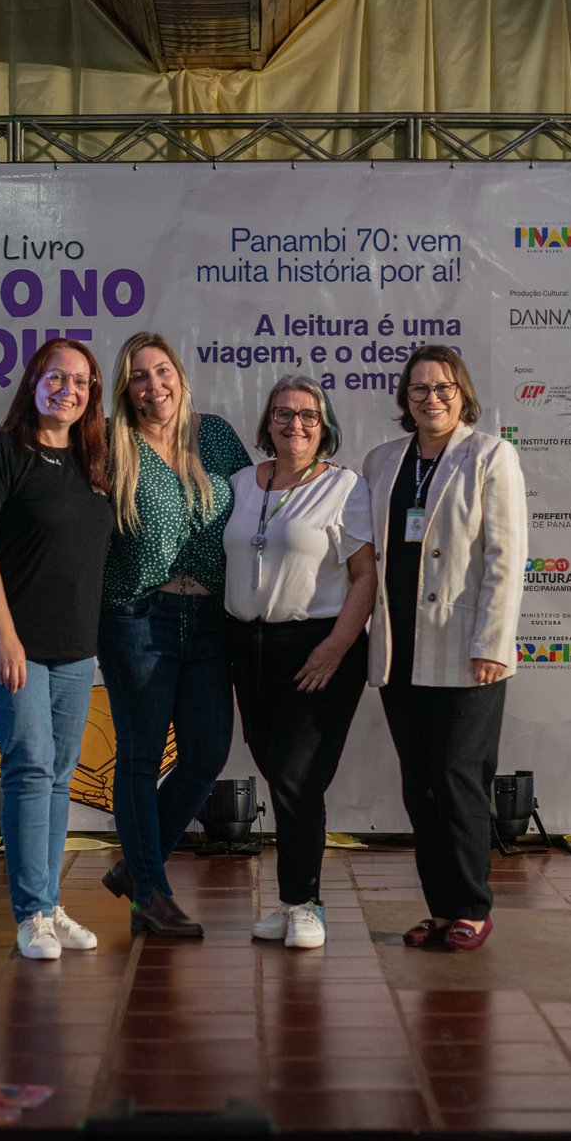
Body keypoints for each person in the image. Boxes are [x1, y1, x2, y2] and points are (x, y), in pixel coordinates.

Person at [363, 344, 527, 952]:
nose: (431, 398)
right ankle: (439, 909)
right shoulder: (382, 461)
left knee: (459, 779)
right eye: (419, 389)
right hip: (399, 648)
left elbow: (506, 557)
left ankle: (471, 907)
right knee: (421, 786)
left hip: (466, 650)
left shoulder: (490, 455)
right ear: (404, 398)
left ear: (462, 394)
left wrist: (494, 642)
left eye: (443, 388)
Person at [0, 339, 114, 961]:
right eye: (56, 378)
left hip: (75, 647)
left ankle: (49, 906)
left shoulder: (94, 461)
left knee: (58, 774)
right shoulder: (2, 451)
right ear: (33, 382)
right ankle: (30, 915)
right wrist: (5, 635)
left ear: (91, 395)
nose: (67, 390)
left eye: (80, 382)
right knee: (29, 766)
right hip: (12, 644)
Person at [98, 332, 250, 937]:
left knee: (207, 754)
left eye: (162, 372)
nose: (153, 385)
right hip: (137, 616)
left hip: (210, 617)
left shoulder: (216, 437)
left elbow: (260, 504)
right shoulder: (110, 443)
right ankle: (150, 895)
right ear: (125, 389)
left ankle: (138, 867)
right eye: (139, 376)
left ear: (180, 377)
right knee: (140, 756)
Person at [224, 377, 376, 950]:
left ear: (325, 425)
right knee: (276, 769)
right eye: (284, 413)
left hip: (318, 647)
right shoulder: (242, 483)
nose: (296, 424)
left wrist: (336, 647)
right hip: (249, 646)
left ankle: (306, 902)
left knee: (297, 775)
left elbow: (365, 576)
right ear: (267, 423)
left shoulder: (344, 487)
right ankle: (291, 903)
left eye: (309, 415)